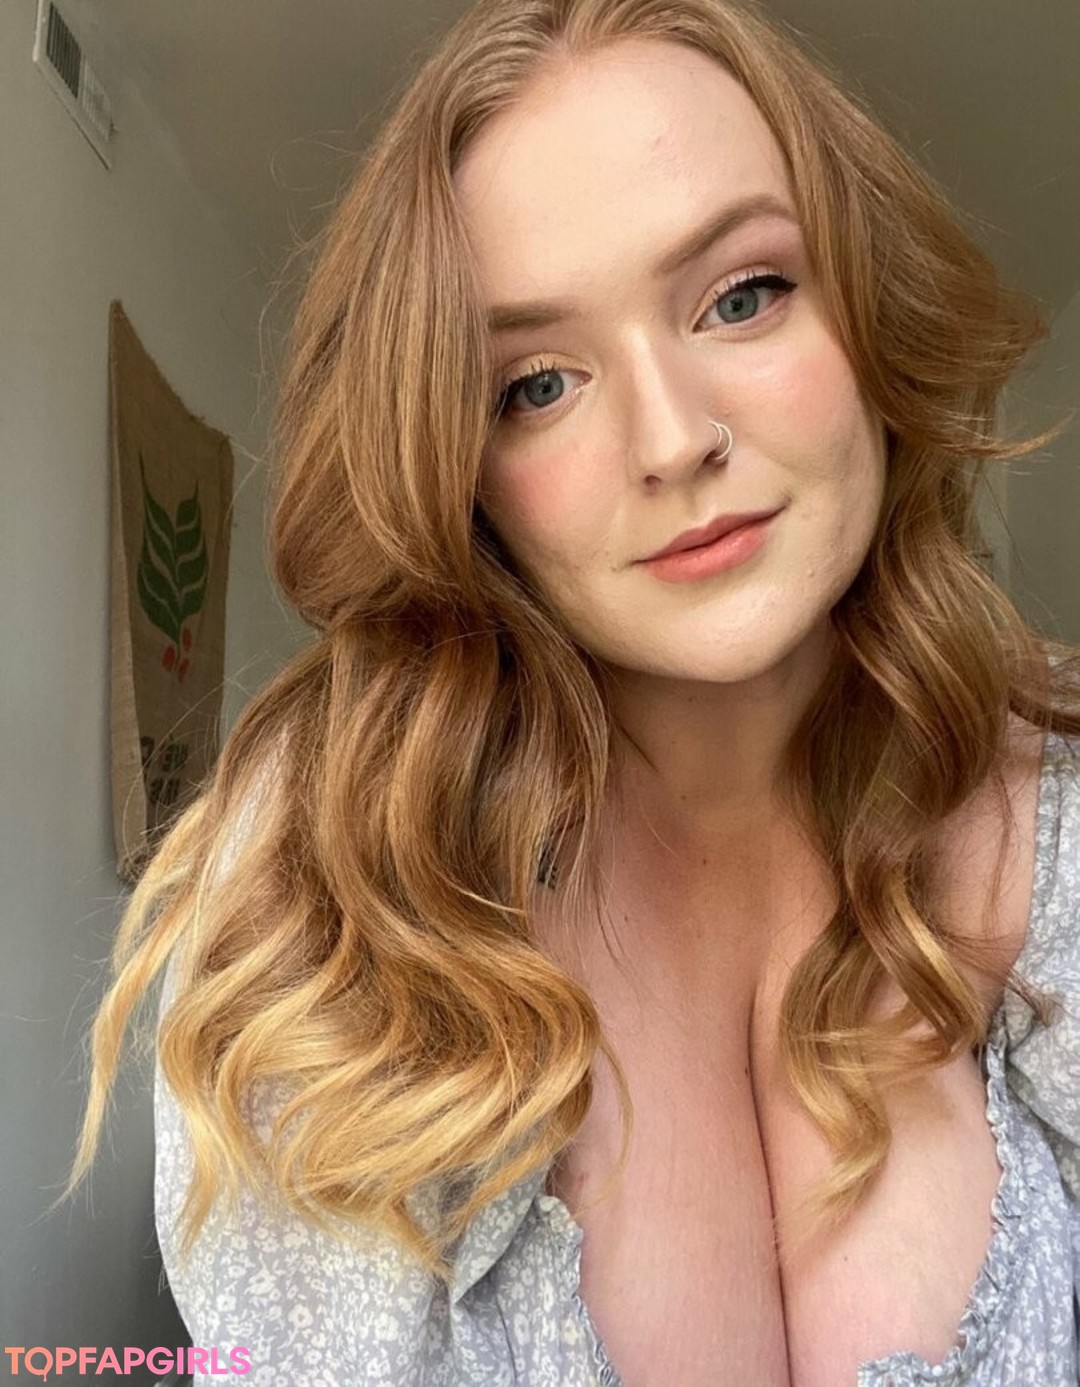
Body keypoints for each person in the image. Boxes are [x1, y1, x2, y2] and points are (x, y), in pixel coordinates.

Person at [63, 1, 1080, 1382]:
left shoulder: (1048, 813)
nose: (672, 440)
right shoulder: (340, 898)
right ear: (459, 472)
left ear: (868, 306)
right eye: (536, 384)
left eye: (743, 295)